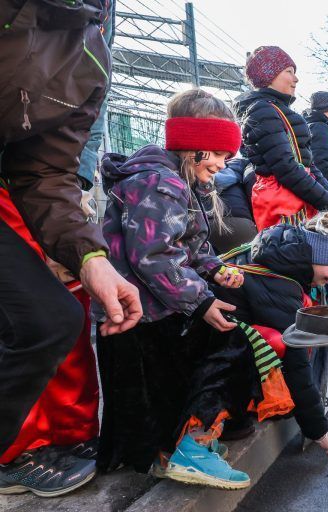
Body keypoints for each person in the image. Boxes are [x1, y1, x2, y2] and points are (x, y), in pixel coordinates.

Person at [0, 0, 142, 496]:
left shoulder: (92, 46)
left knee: (49, 319)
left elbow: (42, 169)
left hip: (27, 191)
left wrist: (89, 256)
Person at [97, 89, 258, 489]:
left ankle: (170, 451)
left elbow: (190, 247)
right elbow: (153, 255)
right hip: (140, 314)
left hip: (151, 307)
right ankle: (193, 447)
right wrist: (202, 300)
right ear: (194, 145)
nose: (222, 165)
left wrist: (216, 271)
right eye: (219, 153)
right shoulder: (160, 183)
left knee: (156, 400)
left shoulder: (178, 181)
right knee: (229, 349)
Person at [215, 211, 328, 458]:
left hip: (203, 341)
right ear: (319, 254)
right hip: (206, 358)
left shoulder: (278, 253)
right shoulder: (282, 284)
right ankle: (227, 417)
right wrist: (320, 432)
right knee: (278, 342)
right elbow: (297, 363)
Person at [234, 46, 328, 229]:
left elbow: (309, 166)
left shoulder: (279, 111)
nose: (296, 78)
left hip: (298, 200)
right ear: (268, 75)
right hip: (286, 207)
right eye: (289, 71)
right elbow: (287, 169)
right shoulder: (263, 111)